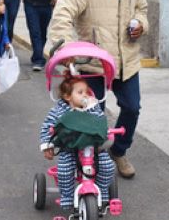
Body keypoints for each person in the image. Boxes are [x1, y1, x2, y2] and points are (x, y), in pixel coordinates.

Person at [48, 0, 148, 179]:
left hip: (126, 60)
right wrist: (66, 47)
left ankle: (119, 151)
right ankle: (87, 159)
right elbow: (63, 13)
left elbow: (142, 10)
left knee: (132, 108)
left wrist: (140, 24)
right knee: (92, 114)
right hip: (92, 61)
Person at [39, 73, 116, 208]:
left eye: (86, 92)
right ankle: (67, 196)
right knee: (64, 170)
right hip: (70, 148)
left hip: (94, 149)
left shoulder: (93, 108)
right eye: (80, 92)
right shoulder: (60, 110)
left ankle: (103, 191)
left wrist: (91, 108)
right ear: (68, 96)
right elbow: (48, 126)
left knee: (107, 166)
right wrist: (47, 145)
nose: (85, 95)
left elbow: (100, 123)